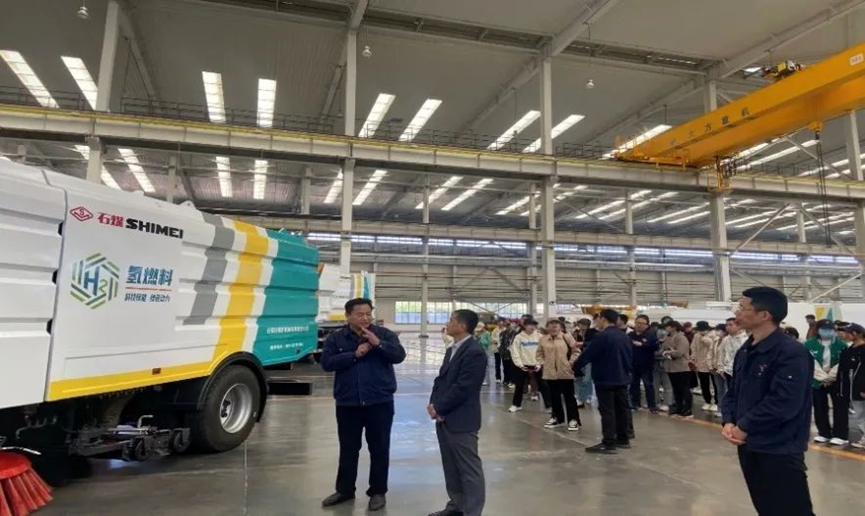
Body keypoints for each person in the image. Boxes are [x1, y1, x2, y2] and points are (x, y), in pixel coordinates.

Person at [720, 286, 814, 516]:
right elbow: (733, 392)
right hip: (749, 444)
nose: (737, 312)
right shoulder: (746, 350)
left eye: (743, 308)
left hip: (779, 446)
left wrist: (744, 426)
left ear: (764, 315)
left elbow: (784, 402)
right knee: (766, 507)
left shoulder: (790, 352)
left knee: (792, 510)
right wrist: (729, 421)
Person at [320, 298, 407, 511]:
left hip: (379, 401)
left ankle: (377, 491)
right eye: (360, 314)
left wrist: (378, 344)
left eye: (368, 314)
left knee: (379, 448)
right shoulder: (336, 338)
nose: (365, 318)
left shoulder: (384, 335)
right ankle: (345, 490)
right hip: (348, 402)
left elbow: (398, 356)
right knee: (348, 448)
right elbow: (327, 363)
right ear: (348, 316)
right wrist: (354, 354)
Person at [428, 310, 487, 516]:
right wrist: (433, 404)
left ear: (462, 326)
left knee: (469, 469)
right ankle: (456, 505)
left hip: (462, 419)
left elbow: (465, 387)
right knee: (451, 466)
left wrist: (440, 407)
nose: (447, 323)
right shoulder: (452, 349)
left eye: (451, 320)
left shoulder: (475, 352)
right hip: (444, 417)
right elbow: (441, 380)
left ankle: (472, 511)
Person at [572, 309, 633, 454]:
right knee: (622, 409)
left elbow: (588, 354)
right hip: (622, 377)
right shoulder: (624, 336)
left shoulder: (601, 336)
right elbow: (630, 357)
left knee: (607, 410)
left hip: (605, 377)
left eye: (598, 319)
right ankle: (623, 438)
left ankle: (608, 442)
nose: (597, 322)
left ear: (603, 319)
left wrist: (576, 367)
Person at [804, 319, 849, 446]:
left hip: (836, 381)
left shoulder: (842, 345)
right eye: (824, 329)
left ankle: (840, 435)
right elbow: (811, 363)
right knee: (819, 407)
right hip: (817, 381)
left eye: (830, 329)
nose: (827, 332)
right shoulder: (808, 344)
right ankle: (824, 433)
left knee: (840, 408)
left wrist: (831, 377)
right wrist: (822, 377)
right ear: (818, 330)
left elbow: (842, 363)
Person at [537, 319, 581, 431]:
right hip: (550, 373)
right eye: (551, 325)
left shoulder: (567, 337)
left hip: (566, 372)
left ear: (560, 327)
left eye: (556, 325)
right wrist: (543, 363)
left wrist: (570, 363)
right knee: (554, 397)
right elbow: (539, 354)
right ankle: (557, 418)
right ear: (547, 327)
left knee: (569, 396)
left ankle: (573, 419)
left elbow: (576, 351)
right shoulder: (543, 339)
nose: (553, 327)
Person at [508, 319, 549, 412]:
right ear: (525, 326)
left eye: (534, 325)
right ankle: (516, 405)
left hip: (536, 364)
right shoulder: (519, 337)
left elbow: (544, 351)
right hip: (523, 365)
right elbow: (515, 352)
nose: (532, 327)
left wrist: (540, 363)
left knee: (543, 385)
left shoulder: (539, 336)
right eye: (530, 325)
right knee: (519, 385)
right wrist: (519, 364)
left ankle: (549, 405)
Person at [838, 323, 865, 449]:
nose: (845, 335)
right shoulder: (849, 350)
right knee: (859, 414)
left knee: (861, 414)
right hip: (851, 388)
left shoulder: (863, 350)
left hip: (860, 389)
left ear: (855, 333)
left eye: (848, 332)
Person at [714, 318, 747, 412]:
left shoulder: (745, 339)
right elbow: (721, 354)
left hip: (741, 371)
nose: (728, 327)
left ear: (739, 326)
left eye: (731, 325)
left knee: (741, 393)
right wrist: (721, 368)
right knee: (729, 392)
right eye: (727, 325)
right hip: (728, 371)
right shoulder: (726, 339)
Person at [661, 320, 693, 419]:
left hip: (681, 367)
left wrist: (670, 352)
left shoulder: (681, 337)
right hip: (670, 367)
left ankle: (687, 409)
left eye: (668, 327)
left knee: (684, 389)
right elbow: (663, 350)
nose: (666, 329)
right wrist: (668, 352)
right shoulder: (668, 337)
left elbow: (680, 352)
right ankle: (679, 407)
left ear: (674, 327)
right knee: (676, 389)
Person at [628, 315, 659, 413]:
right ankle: (635, 404)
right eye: (637, 323)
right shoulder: (630, 335)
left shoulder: (650, 335)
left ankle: (652, 405)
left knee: (648, 384)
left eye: (642, 323)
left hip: (646, 364)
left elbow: (655, 347)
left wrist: (643, 345)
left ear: (647, 325)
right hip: (633, 364)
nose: (639, 325)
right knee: (633, 384)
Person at [691, 321, 718, 413]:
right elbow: (693, 347)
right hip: (700, 363)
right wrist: (693, 358)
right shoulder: (696, 336)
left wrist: (705, 338)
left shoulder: (714, 335)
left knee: (715, 384)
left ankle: (717, 402)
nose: (701, 332)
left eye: (703, 330)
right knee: (704, 384)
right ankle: (707, 401)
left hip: (712, 363)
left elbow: (713, 346)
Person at [574, 318, 595, 408]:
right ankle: (579, 395)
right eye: (580, 324)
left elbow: (592, 344)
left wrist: (583, 343)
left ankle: (584, 397)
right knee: (578, 378)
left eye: (584, 325)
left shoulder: (591, 333)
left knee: (586, 379)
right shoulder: (575, 334)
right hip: (577, 358)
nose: (582, 327)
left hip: (588, 359)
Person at [652, 325, 674, 412]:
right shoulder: (655, 343)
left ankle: (667, 403)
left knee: (667, 386)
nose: (661, 338)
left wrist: (663, 354)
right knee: (655, 385)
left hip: (667, 367)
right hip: (655, 367)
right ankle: (655, 402)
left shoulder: (670, 342)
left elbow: (670, 353)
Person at [498, 320, 518, 388]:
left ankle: (512, 381)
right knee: (505, 367)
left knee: (512, 368)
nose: (507, 326)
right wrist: (501, 351)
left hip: (512, 353)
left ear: (511, 324)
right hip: (504, 353)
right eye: (505, 325)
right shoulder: (502, 333)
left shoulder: (515, 333)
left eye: (508, 324)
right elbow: (500, 343)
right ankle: (506, 380)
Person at [491, 319, 506, 384]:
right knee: (497, 364)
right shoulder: (495, 330)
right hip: (497, 349)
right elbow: (492, 338)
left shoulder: (505, 329)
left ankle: (506, 378)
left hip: (504, 350)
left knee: (505, 364)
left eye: (501, 323)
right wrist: (497, 340)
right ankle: (498, 378)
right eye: (499, 323)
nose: (500, 324)